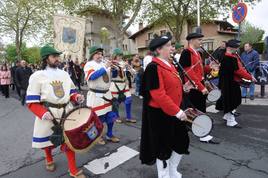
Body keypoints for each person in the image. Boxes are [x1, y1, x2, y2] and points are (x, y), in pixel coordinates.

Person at [26, 44, 86, 178]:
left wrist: (77, 97)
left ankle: (73, 170)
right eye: (54, 56)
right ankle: (48, 158)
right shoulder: (37, 76)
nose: (57, 59)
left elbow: (71, 92)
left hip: (66, 111)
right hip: (48, 112)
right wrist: (42, 113)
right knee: (48, 141)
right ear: (45, 59)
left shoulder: (64, 74)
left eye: (57, 56)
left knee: (69, 142)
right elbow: (31, 102)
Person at [140, 33, 189, 178]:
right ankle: (164, 174)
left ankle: (172, 170)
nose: (172, 48)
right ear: (158, 50)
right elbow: (158, 95)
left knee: (181, 142)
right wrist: (178, 112)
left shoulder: (170, 64)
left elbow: (171, 86)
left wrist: (183, 88)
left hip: (174, 110)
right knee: (163, 147)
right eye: (168, 46)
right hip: (160, 114)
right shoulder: (153, 67)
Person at [179, 32, 220, 144]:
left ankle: (198, 130)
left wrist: (210, 67)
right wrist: (201, 87)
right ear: (192, 40)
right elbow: (189, 72)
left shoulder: (197, 53)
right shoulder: (186, 53)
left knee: (199, 108)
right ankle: (202, 133)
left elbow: (200, 68)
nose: (201, 42)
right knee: (196, 109)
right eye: (199, 40)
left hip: (198, 84)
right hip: (193, 86)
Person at [84, 46, 119, 144]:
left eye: (101, 53)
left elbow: (114, 76)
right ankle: (98, 136)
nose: (100, 55)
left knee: (111, 116)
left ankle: (110, 134)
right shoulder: (89, 64)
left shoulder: (104, 64)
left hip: (107, 94)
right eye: (98, 53)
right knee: (99, 118)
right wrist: (106, 67)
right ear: (92, 55)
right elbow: (92, 76)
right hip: (96, 95)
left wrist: (115, 69)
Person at [217, 39, 255, 128]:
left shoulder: (225, 55)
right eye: (236, 47)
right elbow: (238, 71)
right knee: (232, 100)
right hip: (230, 83)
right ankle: (230, 121)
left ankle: (227, 116)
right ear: (231, 47)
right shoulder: (230, 58)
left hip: (226, 82)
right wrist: (250, 77)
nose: (237, 49)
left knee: (228, 100)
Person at [110, 48, 136, 123]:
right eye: (118, 55)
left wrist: (130, 69)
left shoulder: (124, 62)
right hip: (115, 85)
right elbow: (114, 75)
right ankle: (116, 116)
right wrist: (121, 68)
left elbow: (133, 72)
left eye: (121, 55)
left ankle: (128, 117)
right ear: (115, 56)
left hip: (124, 84)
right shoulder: (112, 63)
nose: (120, 57)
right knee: (116, 102)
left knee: (129, 100)